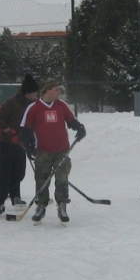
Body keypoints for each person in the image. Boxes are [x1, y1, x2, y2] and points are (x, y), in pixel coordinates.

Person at [20, 79, 86, 224]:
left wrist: (79, 128)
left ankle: (62, 205)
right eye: (56, 89)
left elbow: (71, 121)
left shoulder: (62, 105)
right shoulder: (34, 108)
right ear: (48, 90)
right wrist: (29, 147)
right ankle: (41, 206)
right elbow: (24, 130)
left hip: (62, 149)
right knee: (41, 179)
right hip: (42, 151)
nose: (59, 92)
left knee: (62, 178)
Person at [0, 74, 40, 215]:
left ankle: (11, 195)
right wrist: (9, 131)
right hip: (7, 144)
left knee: (19, 173)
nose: (37, 95)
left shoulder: (34, 105)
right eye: (35, 92)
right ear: (28, 93)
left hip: (21, 145)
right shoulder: (12, 102)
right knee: (5, 174)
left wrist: (32, 143)